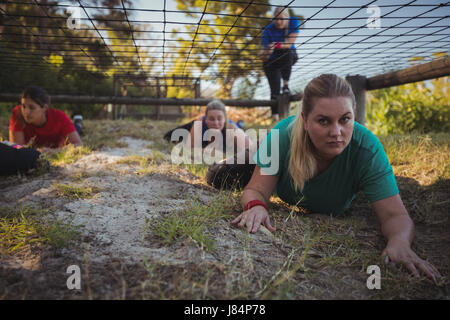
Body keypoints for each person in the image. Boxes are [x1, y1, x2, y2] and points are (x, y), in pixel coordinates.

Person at [231, 74, 441, 281]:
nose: (336, 132)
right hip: (270, 155)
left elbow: (396, 216)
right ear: (304, 120)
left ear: (353, 116)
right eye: (323, 121)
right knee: (228, 171)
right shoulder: (282, 136)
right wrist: (256, 205)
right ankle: (247, 156)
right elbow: (256, 191)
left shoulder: (368, 149)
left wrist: (400, 242)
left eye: (345, 120)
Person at [165, 100, 254, 189]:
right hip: (193, 128)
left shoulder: (231, 127)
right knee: (169, 137)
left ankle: (240, 124)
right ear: (206, 119)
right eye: (211, 119)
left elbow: (251, 149)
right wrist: (205, 150)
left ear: (225, 119)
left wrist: (228, 158)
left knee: (240, 133)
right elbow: (189, 148)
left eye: (219, 118)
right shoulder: (200, 122)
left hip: (227, 135)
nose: (215, 123)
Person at [9, 86, 82, 150]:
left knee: (77, 128)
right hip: (38, 147)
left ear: (45, 108)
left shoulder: (59, 117)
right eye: (23, 106)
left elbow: (78, 144)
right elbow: (16, 147)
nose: (26, 112)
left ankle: (78, 122)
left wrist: (54, 152)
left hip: (60, 142)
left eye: (32, 108)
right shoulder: (18, 113)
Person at [260, 6, 300, 121]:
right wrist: (267, 50)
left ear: (287, 18)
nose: (278, 22)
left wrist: (276, 45)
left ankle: (286, 85)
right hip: (271, 62)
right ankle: (275, 119)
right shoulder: (268, 30)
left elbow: (289, 43)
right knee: (275, 91)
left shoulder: (293, 22)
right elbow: (263, 56)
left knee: (288, 52)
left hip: (287, 56)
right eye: (275, 19)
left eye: (281, 19)